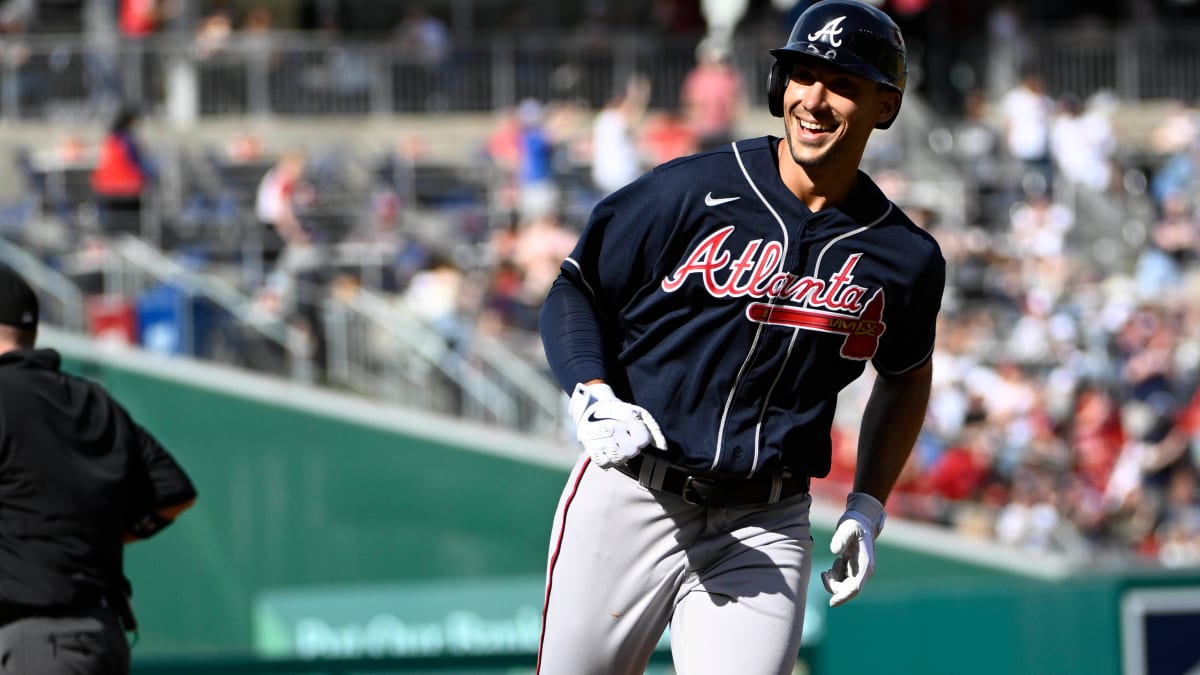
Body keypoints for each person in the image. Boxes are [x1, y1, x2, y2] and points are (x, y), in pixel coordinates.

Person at [535, 2, 945, 673]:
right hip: (635, 490)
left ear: (884, 106)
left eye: (842, 83)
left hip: (767, 519)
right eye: (802, 74)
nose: (814, 99)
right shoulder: (688, 191)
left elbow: (907, 370)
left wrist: (868, 504)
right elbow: (576, 288)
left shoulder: (903, 254)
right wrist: (591, 391)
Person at [0, 265, 197, 674]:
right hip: (95, 636)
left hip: (36, 643)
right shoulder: (92, 400)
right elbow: (174, 493)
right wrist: (88, 538)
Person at [90, 105, 156, 237]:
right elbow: (138, 164)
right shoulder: (128, 141)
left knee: (115, 220)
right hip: (129, 188)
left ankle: (114, 235)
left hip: (105, 188)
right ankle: (134, 236)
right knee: (133, 221)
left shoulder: (110, 140)